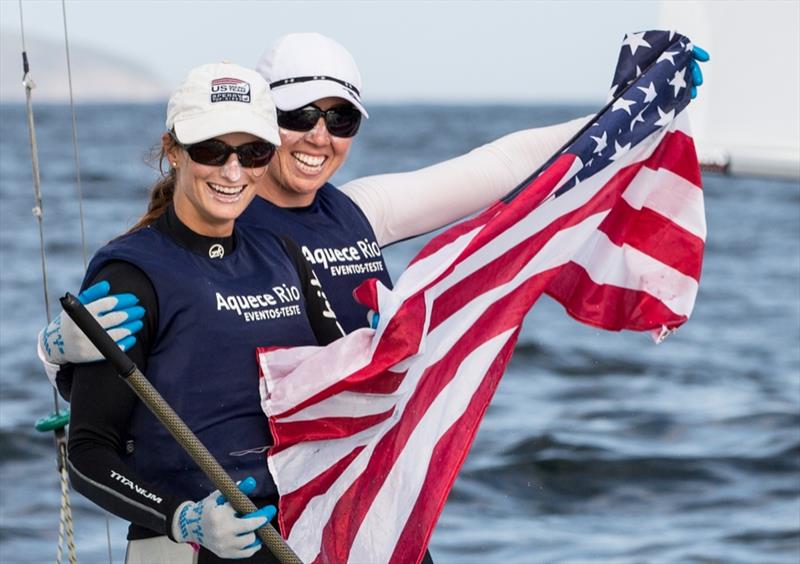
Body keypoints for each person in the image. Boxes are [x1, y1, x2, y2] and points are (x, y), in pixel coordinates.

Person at [64, 62, 345, 563]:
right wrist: (182, 517)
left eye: (253, 152)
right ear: (173, 151)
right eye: (211, 150)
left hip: (302, 537)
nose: (233, 171)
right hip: (184, 548)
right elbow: (87, 454)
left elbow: (350, 386)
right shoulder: (130, 274)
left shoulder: (284, 253)